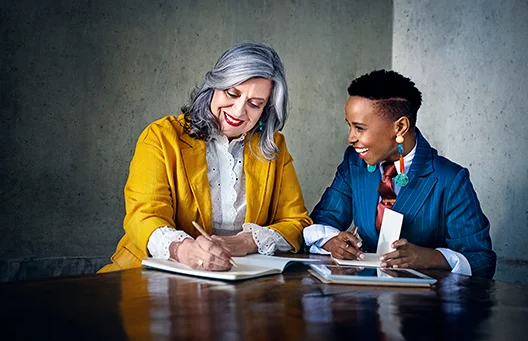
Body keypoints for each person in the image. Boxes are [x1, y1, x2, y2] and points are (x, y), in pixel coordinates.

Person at [99, 42, 312, 273]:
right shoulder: (161, 137)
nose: (239, 111)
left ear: (266, 110)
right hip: (148, 274)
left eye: (254, 104)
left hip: (239, 280)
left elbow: (296, 222)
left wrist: (244, 242)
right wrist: (184, 250)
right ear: (214, 86)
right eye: (232, 93)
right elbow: (144, 216)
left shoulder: (274, 148)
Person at [303, 70, 496, 278]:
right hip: (361, 300)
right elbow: (323, 220)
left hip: (426, 304)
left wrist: (429, 258)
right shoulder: (353, 163)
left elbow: (481, 261)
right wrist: (331, 240)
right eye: (349, 126)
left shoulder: (450, 179)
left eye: (359, 128)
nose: (351, 137)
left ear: (400, 127)